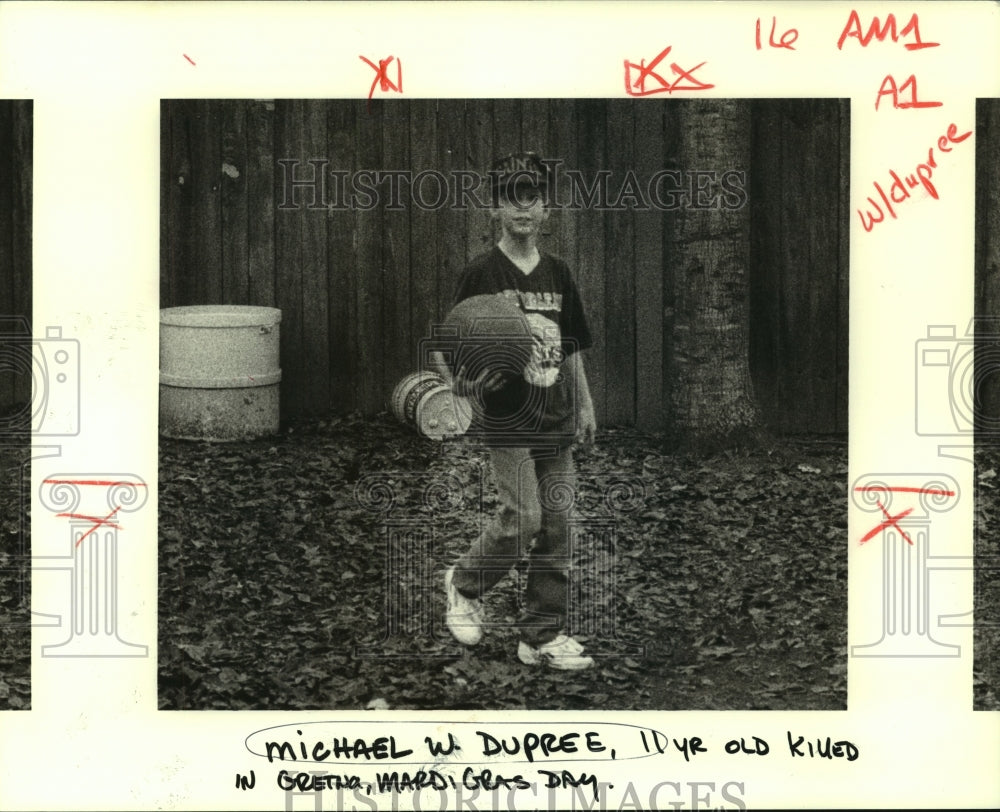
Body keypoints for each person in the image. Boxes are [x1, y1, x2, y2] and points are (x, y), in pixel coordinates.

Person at [440, 152, 597, 670]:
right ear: (495, 208)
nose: (523, 207)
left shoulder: (558, 272)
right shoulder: (481, 273)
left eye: (533, 196)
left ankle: (540, 636)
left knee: (558, 526)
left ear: (548, 209)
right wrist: (456, 384)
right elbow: (448, 346)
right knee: (523, 517)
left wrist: (586, 404)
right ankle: (464, 584)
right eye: (512, 196)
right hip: (507, 419)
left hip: (556, 418)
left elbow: (569, 346)